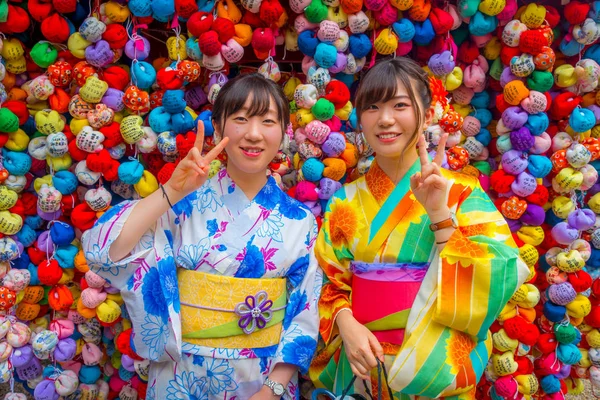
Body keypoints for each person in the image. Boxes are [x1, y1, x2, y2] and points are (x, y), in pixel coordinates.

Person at [82, 73, 323, 400]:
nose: (253, 134)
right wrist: (170, 191)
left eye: (268, 121)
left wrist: (273, 388)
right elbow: (103, 251)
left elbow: (304, 311)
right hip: (181, 377)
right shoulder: (183, 204)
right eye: (240, 119)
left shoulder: (301, 221)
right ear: (219, 128)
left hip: (262, 381)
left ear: (283, 133)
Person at [308, 58, 529, 399]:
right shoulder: (344, 201)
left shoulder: (461, 191)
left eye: (400, 105)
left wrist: (440, 214)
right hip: (365, 365)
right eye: (372, 107)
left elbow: (501, 271)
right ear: (360, 119)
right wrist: (345, 324)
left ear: (427, 115)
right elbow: (327, 280)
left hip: (435, 366)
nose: (385, 119)